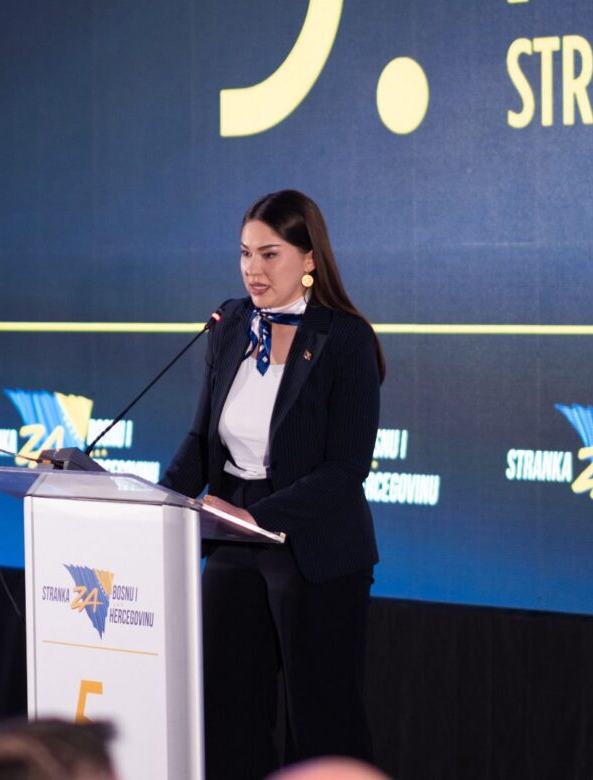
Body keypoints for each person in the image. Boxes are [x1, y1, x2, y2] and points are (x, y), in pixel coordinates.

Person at [161, 189, 385, 779]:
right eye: (244, 254)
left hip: (314, 540)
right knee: (227, 710)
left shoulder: (346, 338)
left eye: (269, 254)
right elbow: (202, 441)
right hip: (234, 534)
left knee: (322, 717)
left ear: (309, 259)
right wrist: (158, 503)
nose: (252, 270)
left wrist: (261, 517)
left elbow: (347, 467)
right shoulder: (231, 322)